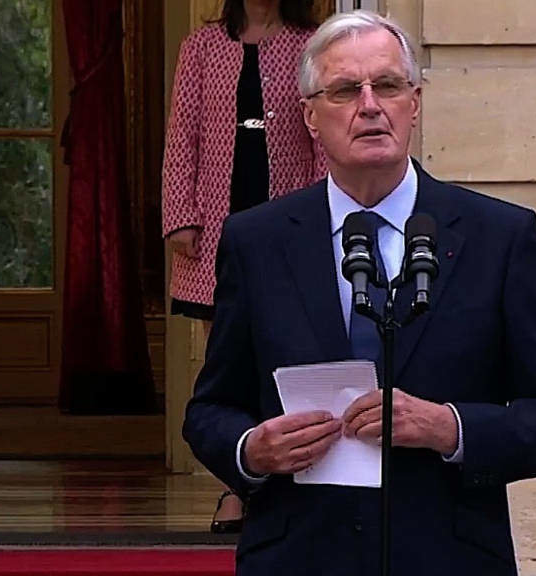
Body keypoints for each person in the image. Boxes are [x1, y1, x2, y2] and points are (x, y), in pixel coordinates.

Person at [183, 10, 536, 575]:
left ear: (414, 104)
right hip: (298, 554)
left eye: (389, 86)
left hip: (448, 556)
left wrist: (449, 428)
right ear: (309, 116)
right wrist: (251, 450)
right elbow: (209, 410)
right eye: (347, 90)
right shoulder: (258, 241)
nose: (370, 105)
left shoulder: (498, 237)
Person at [161, 0, 326, 532]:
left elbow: (325, 137)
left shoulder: (311, 46)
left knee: (290, 355)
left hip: (290, 224)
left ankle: (292, 485)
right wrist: (180, 215)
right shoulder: (202, 47)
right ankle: (235, 487)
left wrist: (328, 211)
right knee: (226, 366)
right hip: (217, 228)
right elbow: (181, 137)